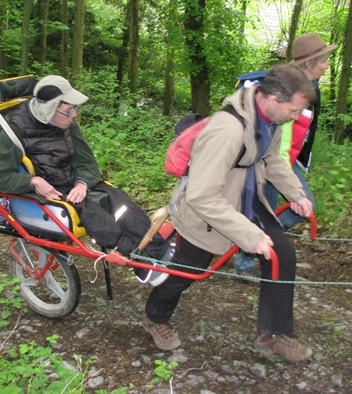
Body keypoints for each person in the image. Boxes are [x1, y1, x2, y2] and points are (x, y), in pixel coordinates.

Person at [142, 64, 316, 362]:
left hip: (248, 196)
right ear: (273, 99)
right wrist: (249, 235)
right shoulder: (227, 129)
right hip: (207, 209)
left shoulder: (272, 121)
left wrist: (296, 193)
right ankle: (154, 318)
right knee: (188, 270)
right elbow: (200, 195)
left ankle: (273, 334)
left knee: (282, 256)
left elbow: (271, 159)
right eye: (294, 109)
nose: (296, 117)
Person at [0, 75, 167, 279]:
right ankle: (140, 261)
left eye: (75, 109)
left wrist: (82, 183)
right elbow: (0, 178)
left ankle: (159, 250)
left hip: (73, 180)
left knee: (118, 199)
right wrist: (33, 180)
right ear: (49, 109)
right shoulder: (12, 129)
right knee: (93, 211)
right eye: (69, 111)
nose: (74, 115)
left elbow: (87, 161)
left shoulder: (66, 122)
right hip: (49, 190)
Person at [233, 33, 338, 280]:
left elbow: (300, 133)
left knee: (298, 208)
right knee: (268, 215)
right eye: (323, 60)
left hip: (287, 161)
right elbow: (274, 130)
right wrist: (277, 168)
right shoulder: (288, 89)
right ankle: (246, 260)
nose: (327, 65)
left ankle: (256, 249)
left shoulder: (310, 87)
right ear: (308, 64)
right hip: (268, 161)